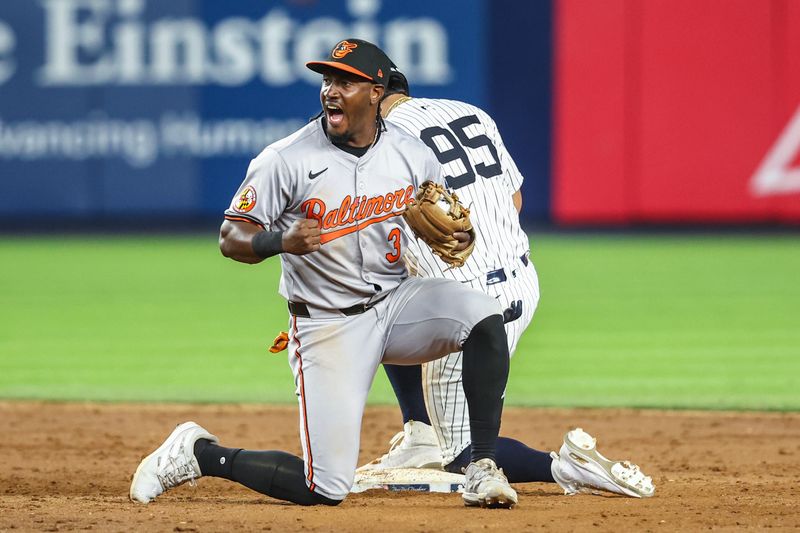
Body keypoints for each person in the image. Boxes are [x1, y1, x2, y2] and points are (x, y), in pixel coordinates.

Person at [129, 39, 519, 509]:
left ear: (376, 92)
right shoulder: (285, 159)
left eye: (346, 82)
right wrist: (279, 241)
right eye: (328, 80)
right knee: (325, 488)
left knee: (481, 316)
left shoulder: (413, 155)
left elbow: (442, 221)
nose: (331, 91)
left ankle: (481, 465)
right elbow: (230, 238)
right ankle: (201, 454)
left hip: (395, 304)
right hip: (327, 324)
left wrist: (457, 239)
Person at [356, 70, 655, 499]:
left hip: (465, 308)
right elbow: (514, 199)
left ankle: (566, 466)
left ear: (375, 94)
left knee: (462, 454)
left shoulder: (379, 140)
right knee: (384, 292)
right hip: (522, 284)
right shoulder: (468, 111)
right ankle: (420, 433)